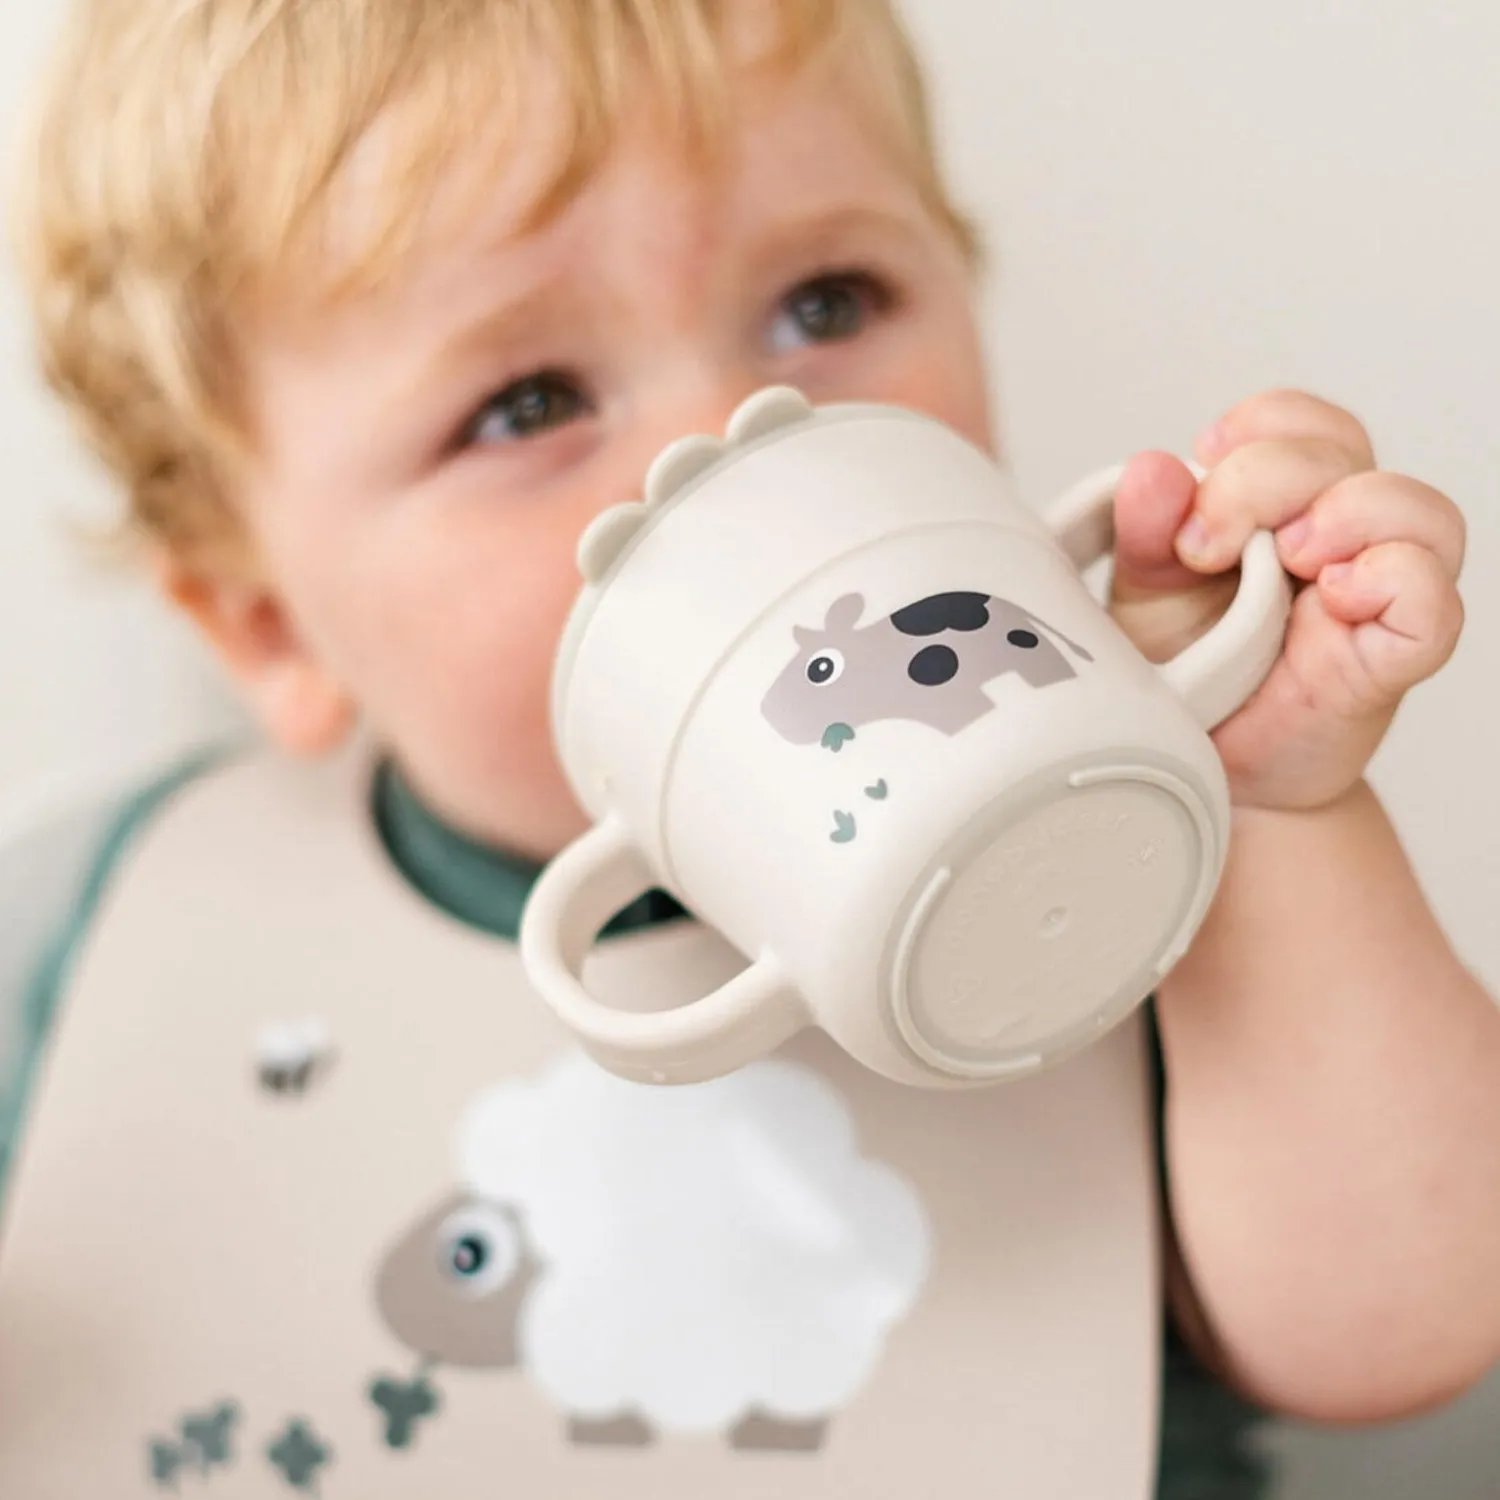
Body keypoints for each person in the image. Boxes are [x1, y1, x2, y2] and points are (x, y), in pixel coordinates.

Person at [1, 1, 1495, 1495]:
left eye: (826, 304)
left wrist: (1275, 803)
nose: (734, 436)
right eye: (529, 404)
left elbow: (1400, 1334)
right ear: (269, 625)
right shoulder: (101, 918)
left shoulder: (1105, 814)